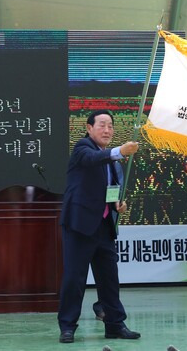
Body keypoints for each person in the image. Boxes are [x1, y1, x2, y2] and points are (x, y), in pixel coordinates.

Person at [57, 109, 141, 344]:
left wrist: (117, 204)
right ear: (89, 128)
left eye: (110, 126)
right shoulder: (83, 149)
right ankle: (67, 327)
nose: (107, 130)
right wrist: (119, 151)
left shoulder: (111, 159)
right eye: (102, 125)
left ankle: (114, 324)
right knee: (74, 279)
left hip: (104, 226)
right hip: (80, 226)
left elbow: (109, 190)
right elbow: (92, 160)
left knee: (109, 279)